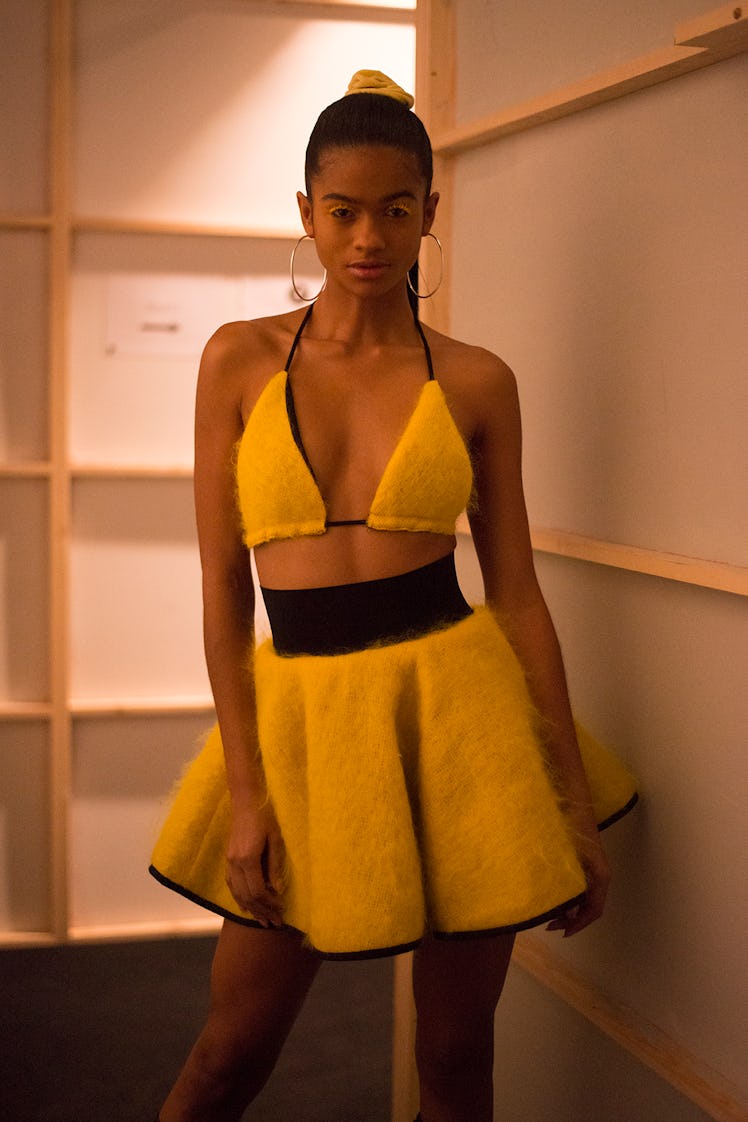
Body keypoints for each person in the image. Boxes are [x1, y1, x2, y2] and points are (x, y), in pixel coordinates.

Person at [149, 70, 637, 1122]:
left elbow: (515, 597)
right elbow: (221, 588)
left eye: (396, 208)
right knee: (229, 1054)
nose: (369, 236)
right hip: (302, 727)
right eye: (343, 210)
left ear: (428, 214)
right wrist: (246, 791)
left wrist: (570, 811)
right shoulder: (235, 361)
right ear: (306, 216)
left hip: (461, 722)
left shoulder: (476, 380)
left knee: (456, 1059)